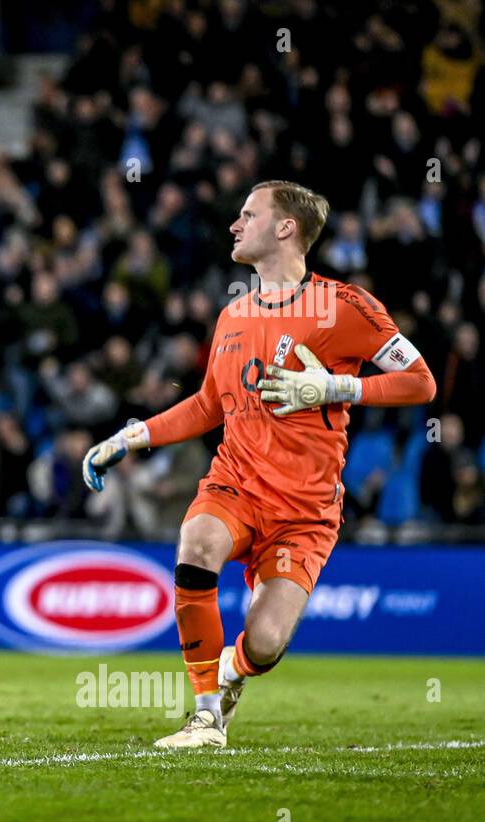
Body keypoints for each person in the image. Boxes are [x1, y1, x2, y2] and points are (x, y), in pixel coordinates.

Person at [83, 180, 436, 747]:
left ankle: (233, 671)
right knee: (196, 542)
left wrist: (336, 388)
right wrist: (134, 434)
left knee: (266, 643)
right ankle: (204, 718)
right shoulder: (234, 315)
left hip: (305, 511)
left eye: (248, 214)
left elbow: (422, 382)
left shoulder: (346, 306)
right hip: (236, 484)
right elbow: (206, 405)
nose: (234, 224)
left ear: (285, 228)